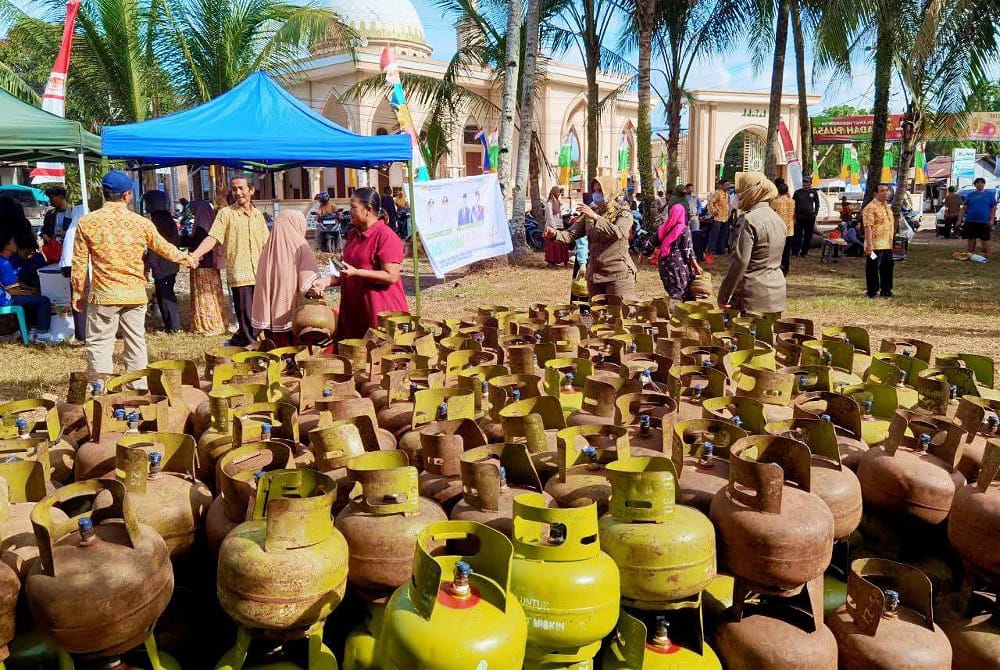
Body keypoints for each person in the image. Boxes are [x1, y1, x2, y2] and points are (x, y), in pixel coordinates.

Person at [71, 171, 193, 376]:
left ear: (103, 192)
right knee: (136, 342)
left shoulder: (87, 222)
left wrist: (78, 292)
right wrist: (188, 259)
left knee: (100, 344)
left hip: (104, 294)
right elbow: (163, 247)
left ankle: (100, 391)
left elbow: (79, 262)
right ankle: (138, 389)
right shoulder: (141, 223)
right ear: (127, 195)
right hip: (134, 294)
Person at [313, 187, 409, 340]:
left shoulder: (386, 236)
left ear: (368, 210)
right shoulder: (353, 234)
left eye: (353, 207)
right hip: (354, 312)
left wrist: (357, 272)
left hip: (380, 312)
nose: (349, 211)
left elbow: (391, 276)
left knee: (379, 357)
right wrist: (326, 282)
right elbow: (346, 270)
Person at [190, 175, 270, 346]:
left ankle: (239, 342)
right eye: (234, 189)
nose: (238, 192)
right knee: (246, 316)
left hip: (261, 274)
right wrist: (195, 255)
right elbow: (213, 238)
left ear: (251, 190)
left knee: (262, 315)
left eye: (241, 188)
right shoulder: (226, 214)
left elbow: (267, 244)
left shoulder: (258, 216)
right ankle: (249, 353)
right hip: (240, 275)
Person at [545, 177, 638, 300]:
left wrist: (595, 217)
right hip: (595, 275)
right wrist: (555, 234)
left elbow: (619, 232)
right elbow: (571, 234)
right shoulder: (591, 212)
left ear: (611, 192)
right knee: (596, 316)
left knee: (619, 316)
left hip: (618, 275)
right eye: (594, 190)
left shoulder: (623, 214)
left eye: (600, 190)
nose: (596, 194)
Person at [717, 172, 787, 314]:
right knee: (766, 335)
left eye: (740, 193)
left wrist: (724, 296)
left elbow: (740, 261)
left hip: (751, 296)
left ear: (752, 193)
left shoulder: (748, 220)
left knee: (745, 336)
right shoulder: (777, 219)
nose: (737, 197)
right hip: (776, 294)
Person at [251, 210, 322, 345]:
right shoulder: (301, 247)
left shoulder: (267, 252)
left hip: (271, 319)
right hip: (293, 318)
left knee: (276, 350)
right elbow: (307, 283)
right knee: (293, 350)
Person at [186, 200, 232, 336]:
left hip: (202, 267)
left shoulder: (201, 228)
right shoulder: (211, 225)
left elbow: (198, 246)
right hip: (211, 267)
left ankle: (207, 324)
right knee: (213, 294)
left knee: (204, 296)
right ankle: (218, 322)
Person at [0, 229, 51, 336]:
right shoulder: (4, 263)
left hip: (5, 296)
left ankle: (31, 326)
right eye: (13, 242)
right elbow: (12, 291)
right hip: (5, 300)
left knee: (34, 298)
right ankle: (42, 333)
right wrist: (29, 293)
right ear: (6, 246)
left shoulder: (3, 261)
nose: (16, 244)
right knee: (44, 300)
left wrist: (29, 290)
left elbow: (15, 282)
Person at [143, 190, 181, 333]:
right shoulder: (167, 219)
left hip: (162, 265)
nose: (146, 207)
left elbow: (155, 246)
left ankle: (173, 327)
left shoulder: (158, 222)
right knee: (163, 294)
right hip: (169, 264)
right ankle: (170, 325)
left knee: (165, 296)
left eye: (148, 204)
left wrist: (152, 264)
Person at [657, 202, 702, 300]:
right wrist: (696, 266)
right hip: (678, 265)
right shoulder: (684, 229)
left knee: (672, 289)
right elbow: (688, 250)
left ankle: (675, 310)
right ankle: (676, 312)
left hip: (664, 264)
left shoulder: (662, 228)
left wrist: (642, 256)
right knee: (681, 291)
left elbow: (651, 243)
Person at [862, 183, 896, 298]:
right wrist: (869, 245)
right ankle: (872, 292)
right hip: (875, 246)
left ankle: (886, 290)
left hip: (887, 244)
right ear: (875, 193)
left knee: (888, 267)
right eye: (882, 191)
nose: (885, 193)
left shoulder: (886, 206)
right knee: (873, 267)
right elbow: (867, 227)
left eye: (887, 190)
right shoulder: (870, 208)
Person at [957, 177, 996, 258]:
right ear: (975, 185)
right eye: (978, 183)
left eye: (982, 182)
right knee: (971, 238)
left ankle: (988, 254)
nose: (980, 184)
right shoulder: (970, 195)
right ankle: (969, 254)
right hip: (970, 220)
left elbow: (993, 208)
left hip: (984, 221)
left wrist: (992, 219)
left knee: (985, 239)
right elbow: (964, 208)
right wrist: (959, 220)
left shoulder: (989, 195)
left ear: (984, 184)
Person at [792, 176, 821, 257]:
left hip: (810, 216)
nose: (805, 183)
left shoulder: (813, 192)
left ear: (810, 183)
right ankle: (795, 252)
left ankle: (804, 252)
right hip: (800, 216)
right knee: (797, 235)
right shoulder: (797, 192)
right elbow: (793, 204)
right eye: (804, 182)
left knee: (808, 236)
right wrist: (795, 215)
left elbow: (817, 204)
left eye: (807, 182)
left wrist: (815, 214)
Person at [770, 181, 795, 276]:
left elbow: (771, 212)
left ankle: (776, 268)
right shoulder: (792, 201)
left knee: (776, 250)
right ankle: (786, 269)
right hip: (789, 229)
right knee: (787, 250)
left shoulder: (775, 201)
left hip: (778, 229)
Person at [544, 186, 570, 266]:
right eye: (557, 192)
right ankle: (551, 262)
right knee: (553, 245)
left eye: (559, 192)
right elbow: (550, 216)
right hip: (552, 227)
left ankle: (563, 260)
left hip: (560, 226)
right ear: (554, 192)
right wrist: (554, 228)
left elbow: (558, 215)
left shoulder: (558, 202)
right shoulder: (549, 203)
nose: (558, 194)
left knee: (562, 244)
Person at [705, 180, 730, 263]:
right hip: (717, 218)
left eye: (728, 185)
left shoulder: (727, 194)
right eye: (726, 185)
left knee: (722, 235)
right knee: (714, 235)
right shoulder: (717, 193)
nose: (728, 186)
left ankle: (720, 250)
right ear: (721, 185)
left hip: (725, 218)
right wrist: (714, 211)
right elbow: (711, 202)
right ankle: (711, 251)